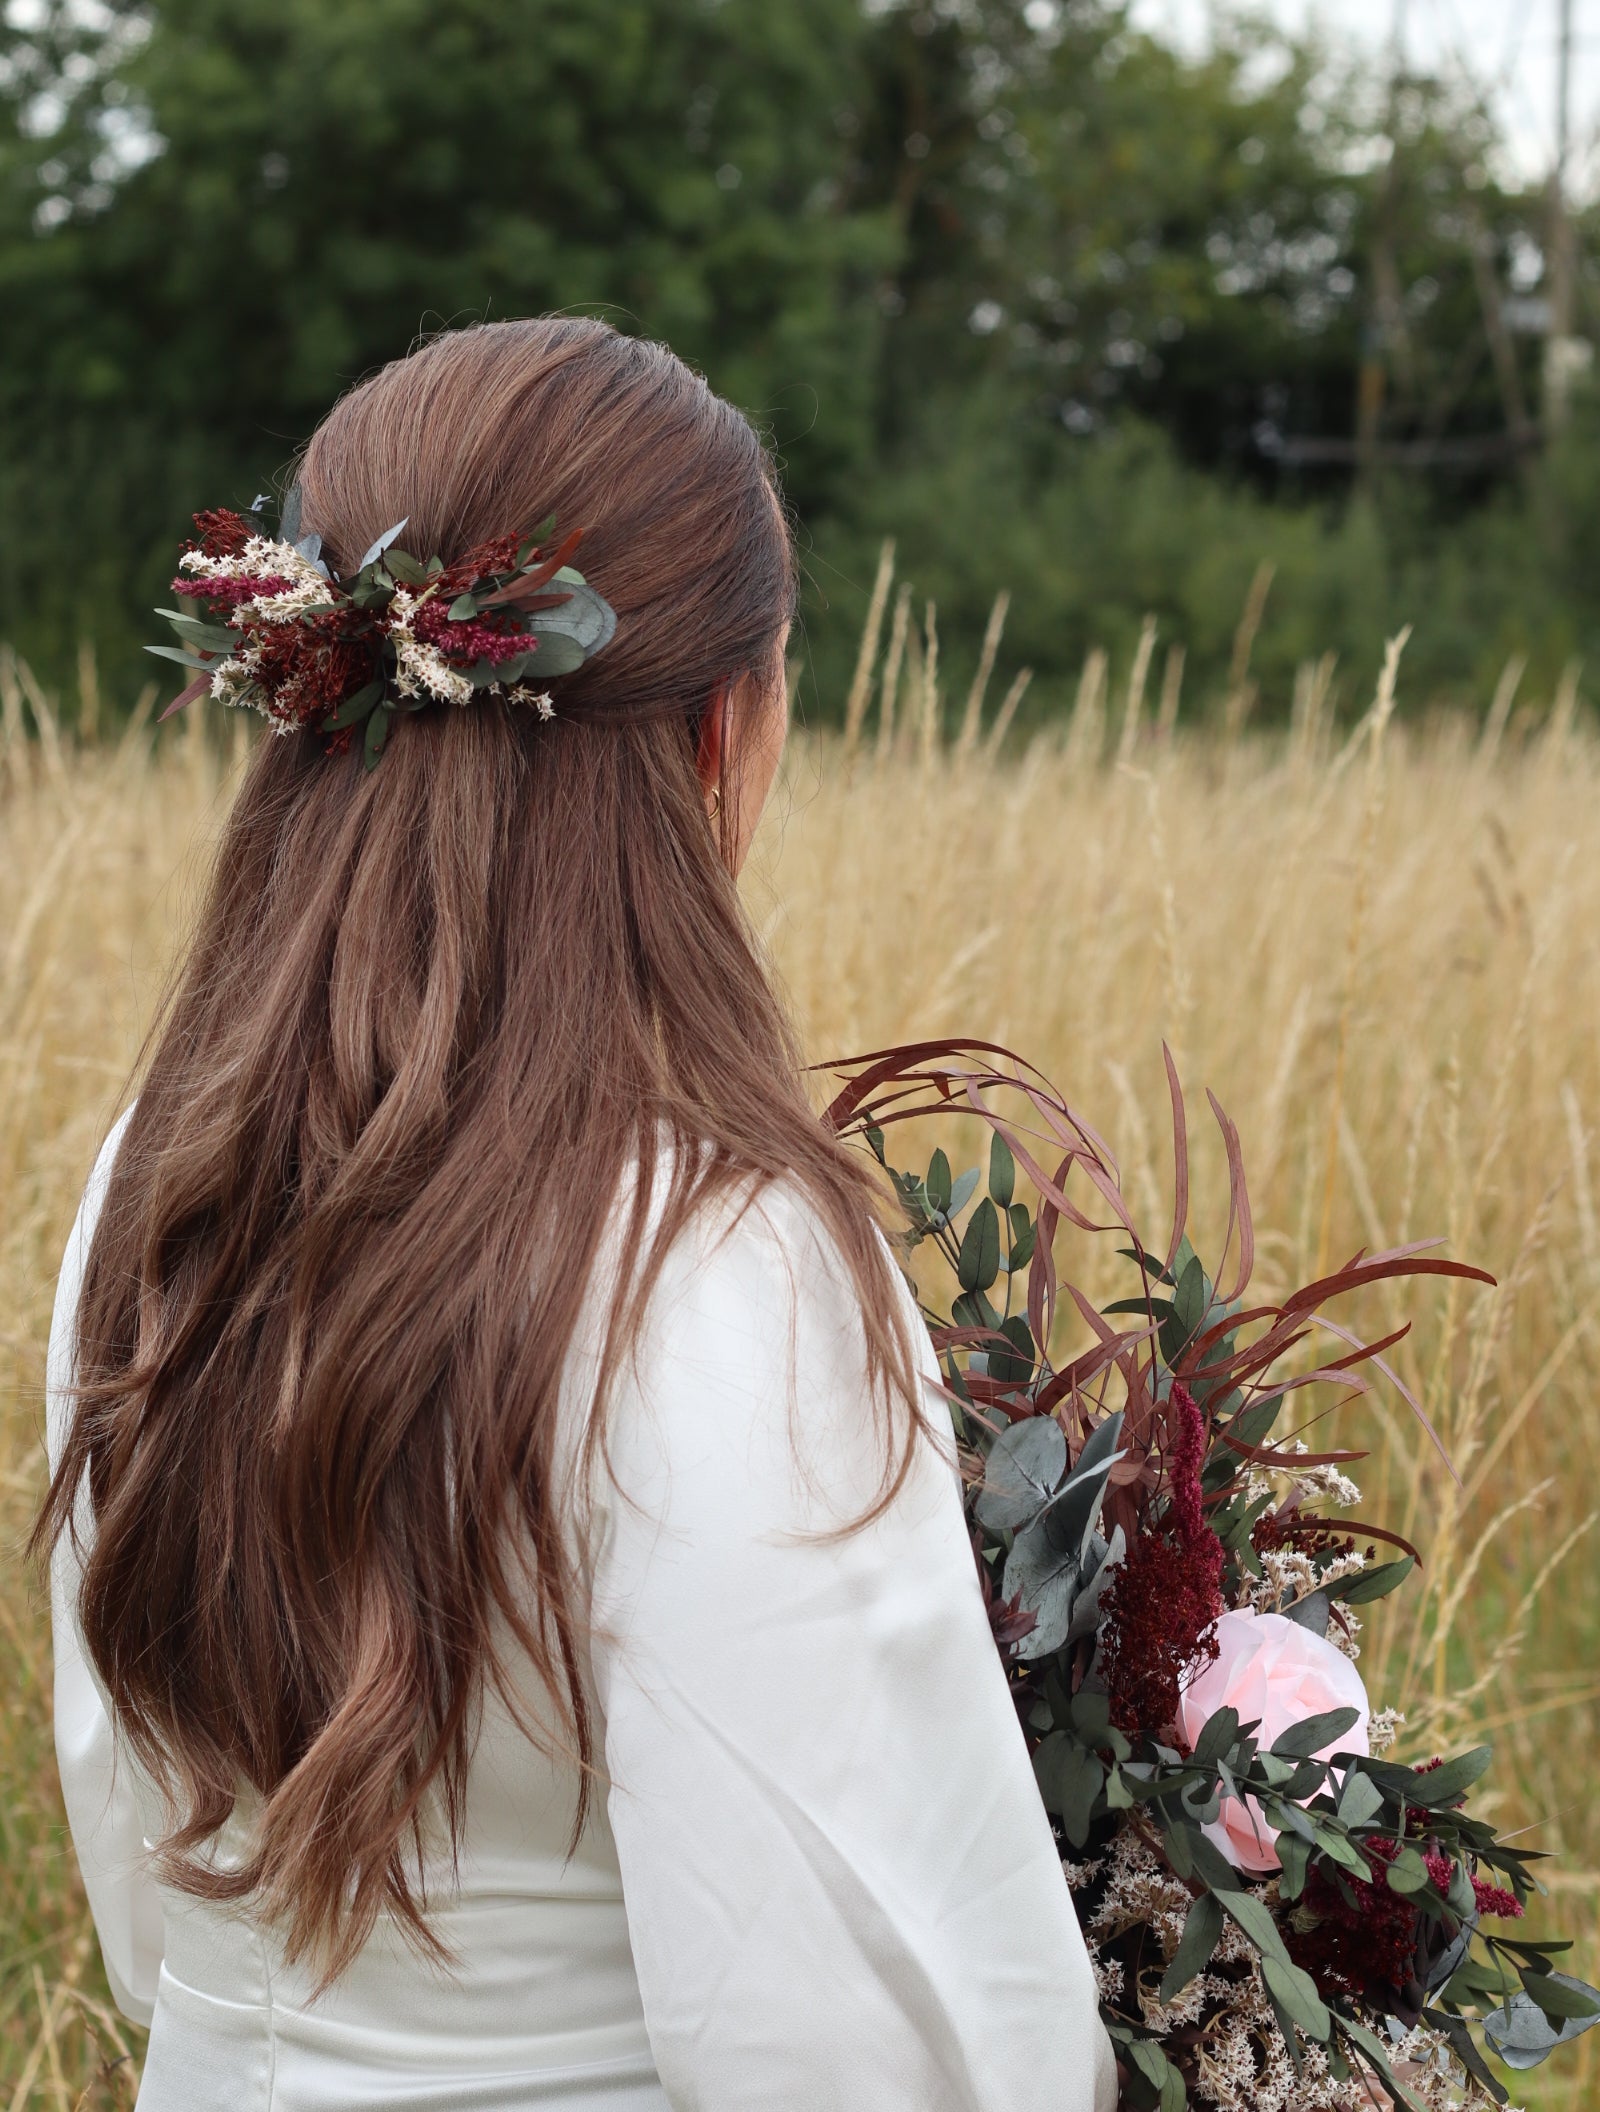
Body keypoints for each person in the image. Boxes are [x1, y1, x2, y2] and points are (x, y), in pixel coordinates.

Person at [37, 317, 1118, 2112]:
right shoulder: (718, 1263)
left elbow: (150, 1887)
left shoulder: (158, 1188)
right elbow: (856, 2045)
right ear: (722, 728)